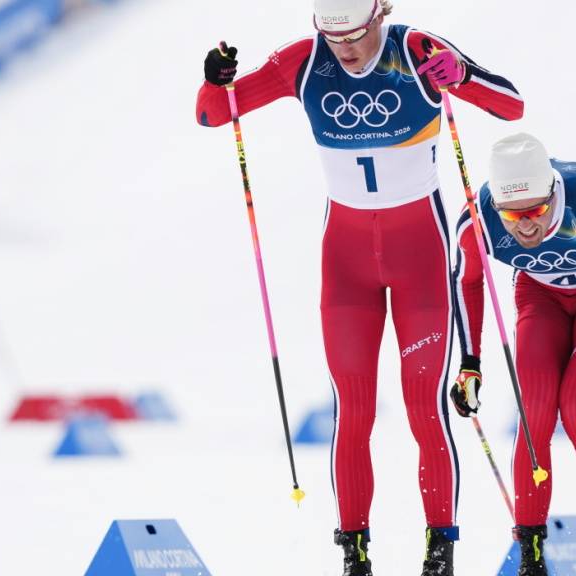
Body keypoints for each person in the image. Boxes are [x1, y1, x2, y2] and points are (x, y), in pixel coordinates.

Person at [194, 1, 523, 574]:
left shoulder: (415, 49)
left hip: (420, 259)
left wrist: (463, 76)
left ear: (379, 17)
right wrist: (214, 79)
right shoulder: (303, 61)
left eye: (354, 34)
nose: (344, 49)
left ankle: (439, 552)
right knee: (353, 410)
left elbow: (511, 105)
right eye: (332, 36)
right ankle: (355, 554)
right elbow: (213, 114)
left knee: (425, 410)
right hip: (346, 265)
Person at [449, 133, 576, 575]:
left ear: (553, 193)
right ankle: (531, 556)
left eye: (535, 211)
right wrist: (470, 364)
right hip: (540, 297)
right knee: (533, 414)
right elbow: (467, 281)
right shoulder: (478, 218)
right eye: (512, 215)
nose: (524, 226)